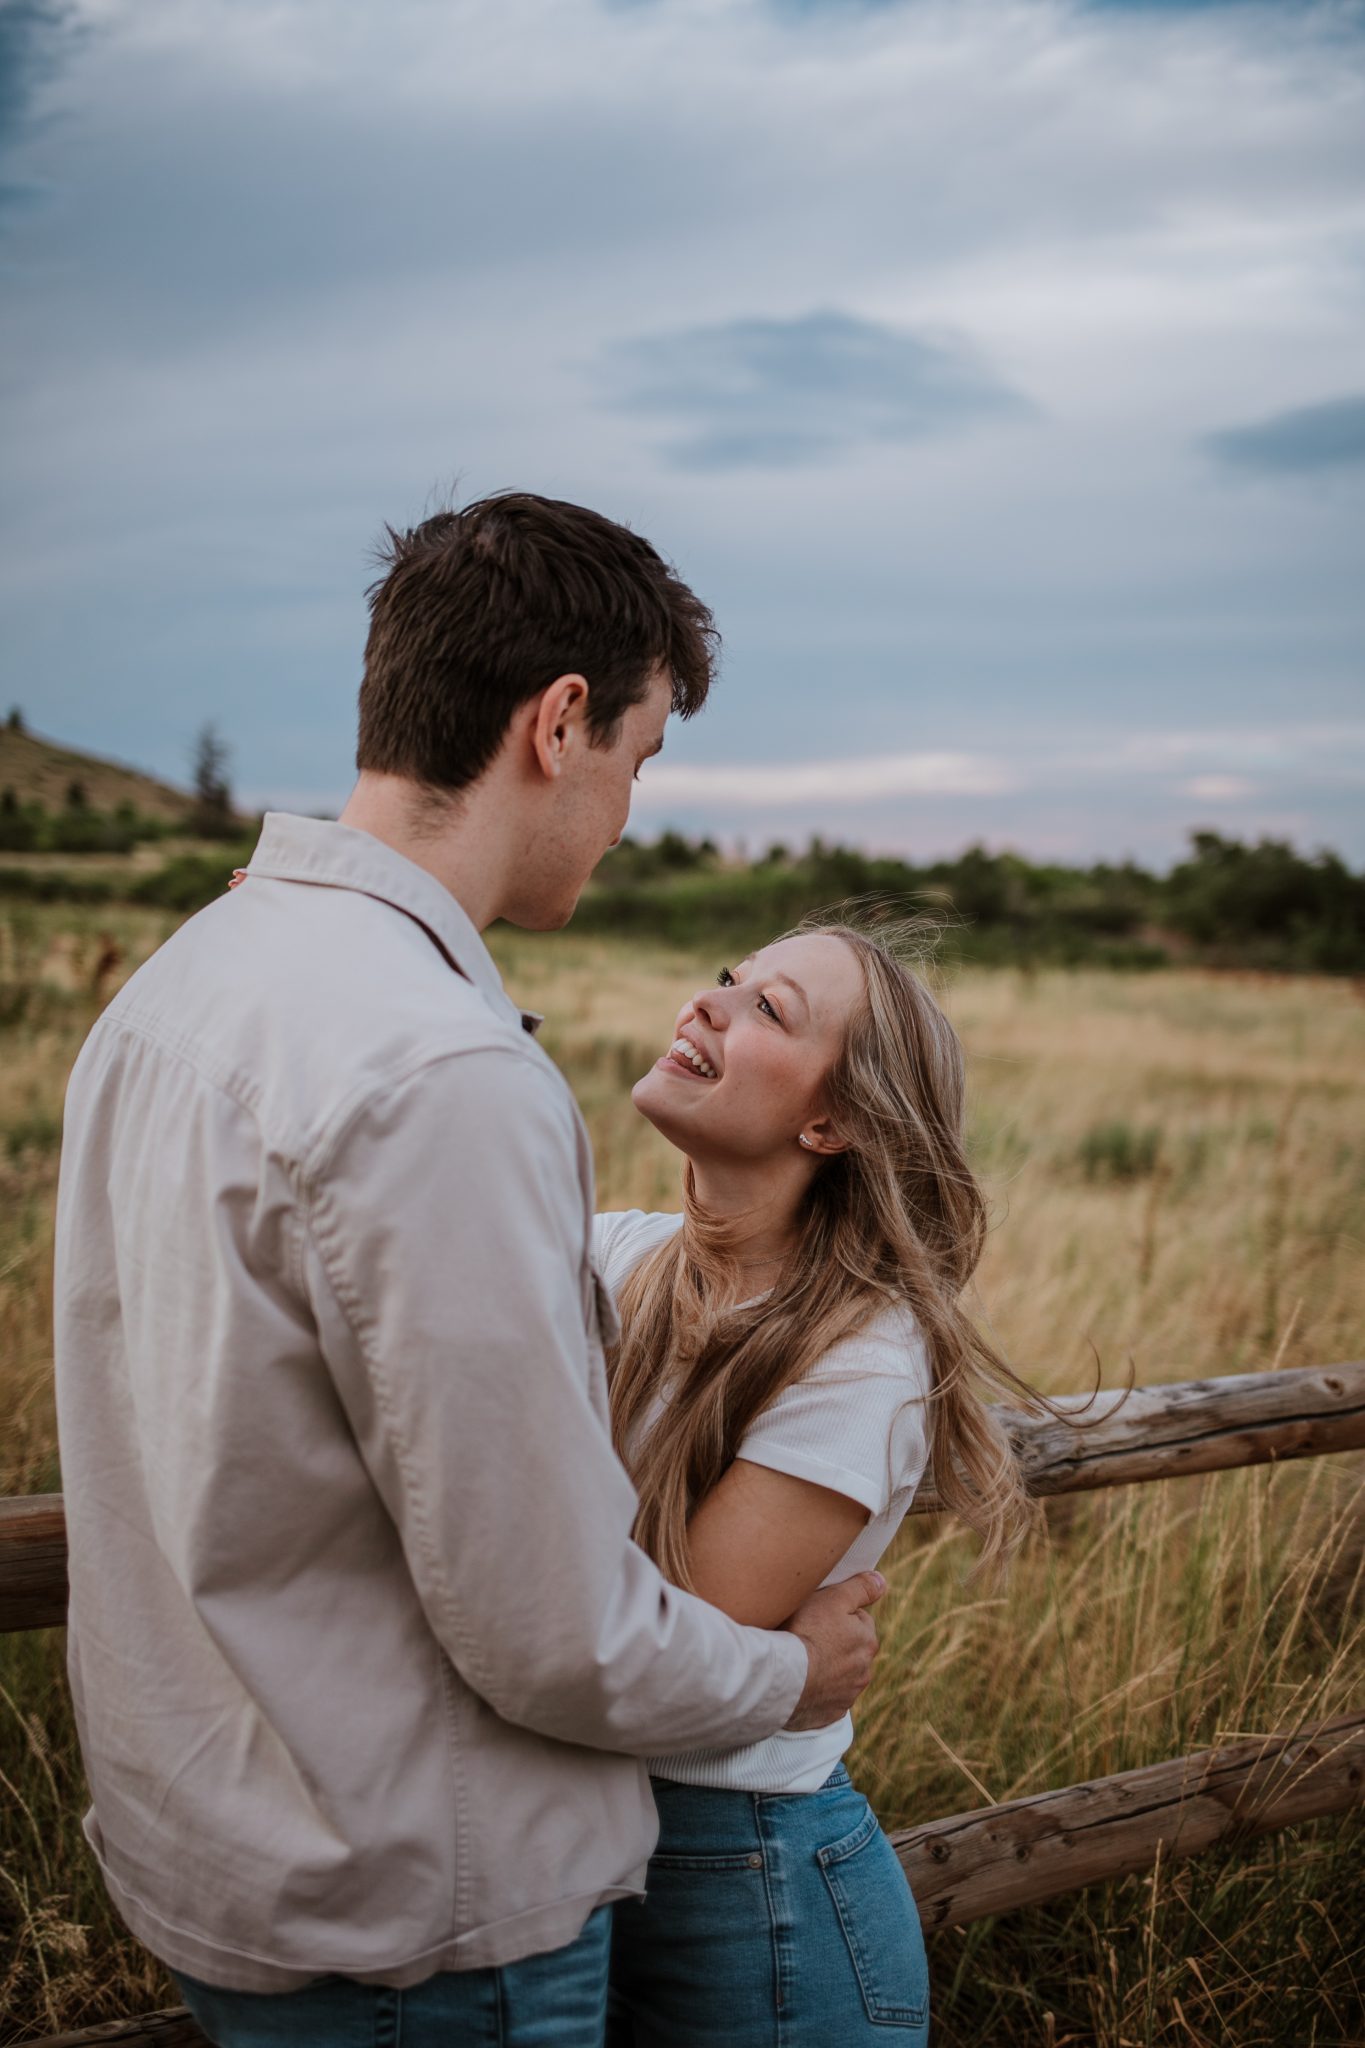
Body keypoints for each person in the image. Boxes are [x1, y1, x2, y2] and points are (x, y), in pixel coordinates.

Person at [52, 494, 886, 2048]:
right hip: (414, 1920)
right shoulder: (440, 1069)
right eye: (638, 760)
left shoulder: (178, 984)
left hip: (216, 1859)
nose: (629, 812)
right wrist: (784, 1675)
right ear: (557, 724)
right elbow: (549, 1629)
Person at [597, 920, 1051, 2046]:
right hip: (596, 1857)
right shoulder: (616, 1255)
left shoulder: (861, 1356)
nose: (709, 1003)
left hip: (754, 1901)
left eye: (769, 1009)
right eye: (725, 980)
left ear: (831, 1119)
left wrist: (784, 1667)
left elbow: (663, 1642)